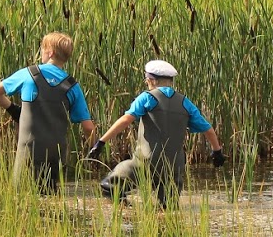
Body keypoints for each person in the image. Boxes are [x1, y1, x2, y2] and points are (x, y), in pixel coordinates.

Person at [88, 59, 224, 207]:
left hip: (145, 163)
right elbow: (208, 129)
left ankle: (128, 215)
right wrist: (217, 152)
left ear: (151, 80)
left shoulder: (147, 97)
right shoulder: (186, 103)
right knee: (169, 207)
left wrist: (100, 142)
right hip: (173, 168)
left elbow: (126, 120)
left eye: (147, 80)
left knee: (110, 187)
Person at [0, 31, 97, 193]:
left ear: (50, 52)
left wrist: (14, 110)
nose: (41, 53)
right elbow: (88, 127)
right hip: (56, 153)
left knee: (22, 197)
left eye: (42, 49)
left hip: (29, 151)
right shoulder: (72, 86)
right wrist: (94, 150)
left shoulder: (29, 74)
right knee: (50, 198)